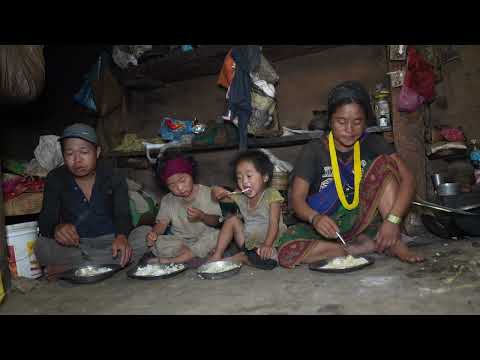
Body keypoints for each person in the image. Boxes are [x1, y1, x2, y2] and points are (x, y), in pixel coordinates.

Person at [277, 81, 424, 268]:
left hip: (364, 221)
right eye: (341, 121)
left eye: (357, 122)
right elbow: (297, 199)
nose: (349, 129)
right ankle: (357, 249)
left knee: (385, 165)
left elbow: (408, 180)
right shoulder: (313, 150)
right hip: (325, 226)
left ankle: (394, 242)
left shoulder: (373, 143)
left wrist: (393, 221)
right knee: (286, 248)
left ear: (365, 122)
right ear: (330, 121)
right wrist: (315, 218)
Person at [35, 123, 149, 279]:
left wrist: (122, 236)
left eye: (84, 152)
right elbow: (45, 220)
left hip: (112, 242)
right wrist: (57, 228)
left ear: (97, 152)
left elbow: (123, 214)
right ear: (63, 155)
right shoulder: (56, 178)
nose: (77, 160)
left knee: (145, 236)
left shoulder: (113, 175)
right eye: (69, 154)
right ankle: (111, 265)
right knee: (42, 246)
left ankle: (72, 268)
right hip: (76, 245)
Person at [210, 150, 287, 270]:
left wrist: (267, 245)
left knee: (271, 262)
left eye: (249, 176)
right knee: (232, 220)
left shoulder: (272, 194)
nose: (244, 182)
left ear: (265, 177)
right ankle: (218, 254)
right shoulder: (240, 196)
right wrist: (216, 191)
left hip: (272, 244)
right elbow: (218, 197)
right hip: (249, 244)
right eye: (239, 178)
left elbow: (274, 223)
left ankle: (243, 258)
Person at [144, 153, 223, 264]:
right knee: (159, 242)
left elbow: (217, 221)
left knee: (219, 235)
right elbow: (162, 224)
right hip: (182, 242)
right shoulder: (168, 200)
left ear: (191, 174)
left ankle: (175, 259)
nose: (180, 188)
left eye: (182, 180)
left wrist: (202, 216)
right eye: (172, 185)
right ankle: (190, 254)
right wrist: (153, 234)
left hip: (205, 237)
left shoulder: (207, 193)